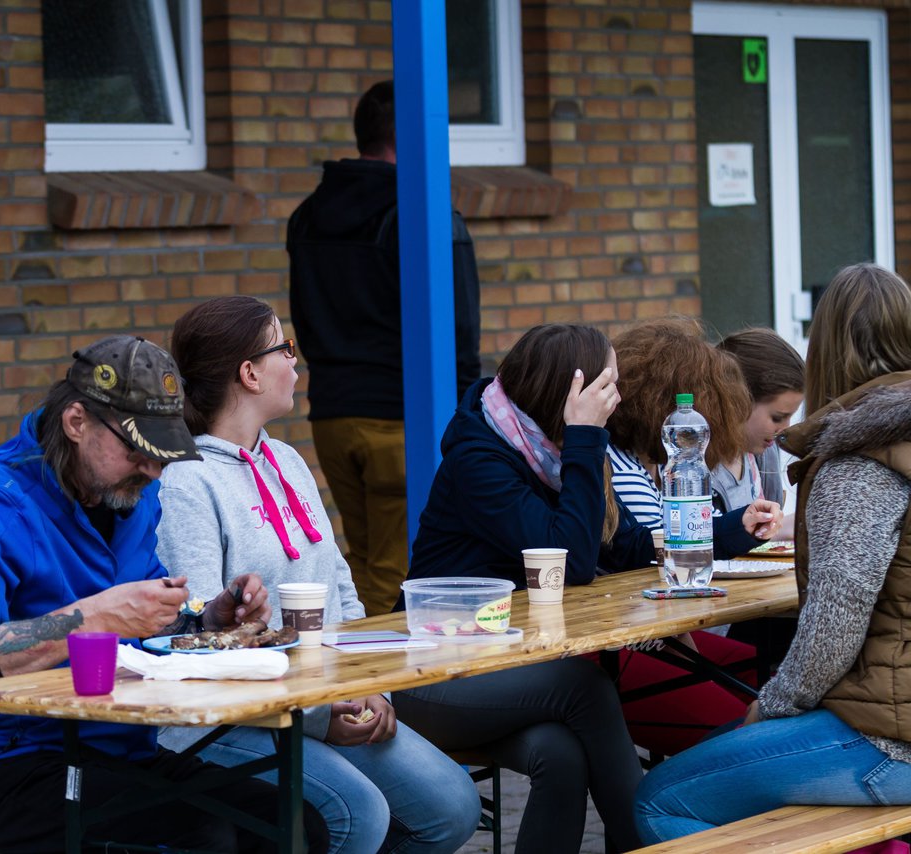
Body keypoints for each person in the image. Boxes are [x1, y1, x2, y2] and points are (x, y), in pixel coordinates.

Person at [0, 336, 329, 854]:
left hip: (121, 746)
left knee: (294, 824)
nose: (154, 472)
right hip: (4, 769)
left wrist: (208, 622)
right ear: (76, 423)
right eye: (138, 451)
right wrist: (90, 618)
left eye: (162, 455)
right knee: (208, 837)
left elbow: (149, 629)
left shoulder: (134, 494)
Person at [156, 296, 480, 854]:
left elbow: (341, 588)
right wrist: (316, 717)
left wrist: (366, 688)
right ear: (249, 373)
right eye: (284, 347)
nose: (296, 362)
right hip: (227, 723)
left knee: (453, 806)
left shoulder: (287, 459)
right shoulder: (186, 481)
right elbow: (200, 640)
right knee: (360, 814)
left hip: (327, 700)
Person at [635, 262, 911, 843]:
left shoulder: (861, 460)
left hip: (893, 741)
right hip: (891, 720)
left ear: (826, 351)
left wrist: (773, 707)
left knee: (660, 797)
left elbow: (836, 621)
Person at [395, 323, 650, 854]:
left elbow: (625, 545)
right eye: (606, 386)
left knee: (560, 753)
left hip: (497, 662)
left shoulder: (552, 456)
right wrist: (585, 439)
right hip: (430, 670)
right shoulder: (482, 460)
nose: (616, 399)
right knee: (585, 687)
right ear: (569, 395)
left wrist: (741, 529)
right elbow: (571, 563)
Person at [287, 79, 482, 616]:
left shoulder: (307, 214)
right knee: (401, 576)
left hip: (332, 416)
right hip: (405, 425)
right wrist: (467, 422)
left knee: (366, 561)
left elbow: (304, 313)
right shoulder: (426, 215)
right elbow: (459, 333)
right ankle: (383, 695)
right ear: (415, 136)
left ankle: (369, 690)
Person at [605, 318, 784, 758]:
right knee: (755, 728)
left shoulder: (640, 465)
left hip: (645, 636)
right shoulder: (627, 473)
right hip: (628, 642)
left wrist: (734, 528)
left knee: (769, 679)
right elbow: (663, 558)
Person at [607, 317, 784, 554]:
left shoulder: (662, 463)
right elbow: (664, 548)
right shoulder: (624, 470)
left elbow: (705, 524)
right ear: (662, 404)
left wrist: (745, 522)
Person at [716, 327, 805, 522]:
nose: (785, 428)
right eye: (777, 417)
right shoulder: (695, 465)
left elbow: (767, 532)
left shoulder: (764, 452)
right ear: (737, 400)